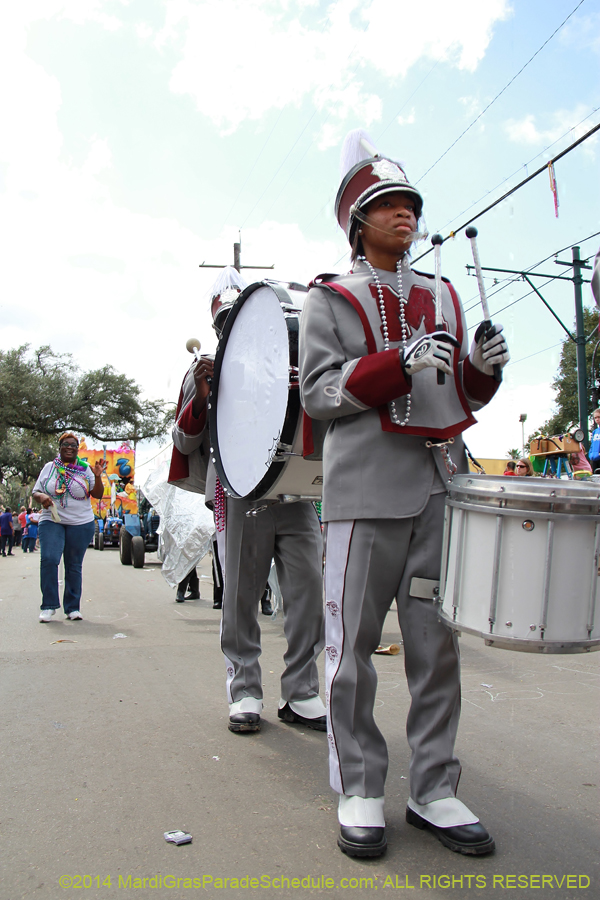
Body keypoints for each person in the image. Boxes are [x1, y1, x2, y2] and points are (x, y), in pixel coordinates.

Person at [299, 134, 510, 858]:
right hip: (363, 493)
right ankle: (359, 783)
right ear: (357, 224)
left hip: (434, 489)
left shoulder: (443, 294)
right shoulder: (330, 298)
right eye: (387, 207)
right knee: (352, 648)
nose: (404, 217)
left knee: (435, 647)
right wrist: (394, 363)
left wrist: (482, 370)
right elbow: (320, 392)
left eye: (410, 206)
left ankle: (434, 788)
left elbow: (452, 392)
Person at [169, 267, 326, 734]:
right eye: (224, 320)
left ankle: (301, 691)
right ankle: (245, 691)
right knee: (239, 595)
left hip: (294, 492)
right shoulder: (202, 369)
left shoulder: (286, 358)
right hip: (236, 492)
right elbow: (182, 441)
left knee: (309, 593)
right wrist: (202, 395)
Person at [32, 433, 107, 622]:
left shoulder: (85, 470)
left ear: (77, 449)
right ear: (59, 447)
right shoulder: (49, 468)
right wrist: (42, 498)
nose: (69, 447)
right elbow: (36, 491)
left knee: (73, 565)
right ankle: (48, 606)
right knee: (49, 559)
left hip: (80, 524)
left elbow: (97, 494)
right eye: (65, 444)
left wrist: (97, 477)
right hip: (52, 520)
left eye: (73, 445)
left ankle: (72, 608)